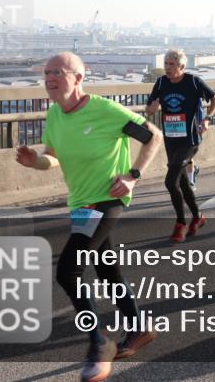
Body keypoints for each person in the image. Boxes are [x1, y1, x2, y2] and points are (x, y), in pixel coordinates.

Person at [16, 52, 162, 379]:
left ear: (79, 78)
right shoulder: (55, 114)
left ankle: (100, 344)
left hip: (106, 199)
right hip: (80, 204)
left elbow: (153, 136)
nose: (49, 77)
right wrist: (35, 162)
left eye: (58, 72)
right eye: (46, 72)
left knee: (68, 271)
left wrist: (132, 175)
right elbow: (52, 157)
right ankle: (139, 328)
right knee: (107, 270)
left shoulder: (105, 110)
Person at [145, 49, 215, 243]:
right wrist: (151, 109)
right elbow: (150, 107)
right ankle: (198, 216)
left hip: (190, 140)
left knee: (171, 181)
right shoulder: (161, 82)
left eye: (171, 65)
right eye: (166, 64)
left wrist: (208, 119)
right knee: (183, 182)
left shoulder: (193, 82)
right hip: (171, 139)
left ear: (182, 67)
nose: (167, 68)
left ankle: (180, 223)